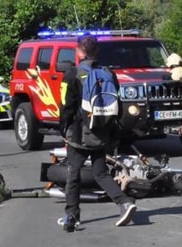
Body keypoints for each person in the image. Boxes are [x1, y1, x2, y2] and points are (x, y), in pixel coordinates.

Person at [58, 35, 136, 233]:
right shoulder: (108, 73)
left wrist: (63, 130)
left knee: (73, 174)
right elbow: (117, 104)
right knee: (100, 172)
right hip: (103, 132)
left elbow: (67, 107)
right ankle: (124, 202)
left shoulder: (72, 74)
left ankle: (72, 216)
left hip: (79, 134)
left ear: (79, 51)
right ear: (96, 52)